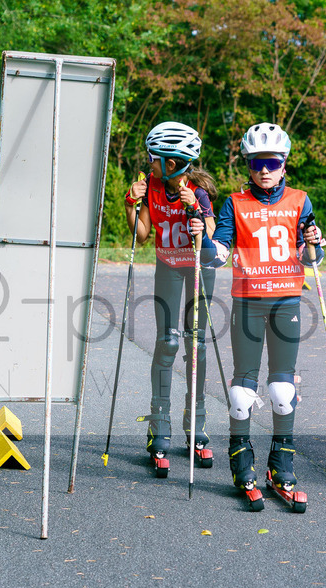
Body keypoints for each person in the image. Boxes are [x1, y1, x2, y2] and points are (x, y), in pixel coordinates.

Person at [197, 122, 323, 503]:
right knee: (241, 392)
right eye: (256, 163)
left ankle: (281, 464)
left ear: (284, 164)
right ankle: (241, 460)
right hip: (248, 301)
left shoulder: (301, 200)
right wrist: (204, 243)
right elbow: (219, 250)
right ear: (247, 166)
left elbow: (310, 255)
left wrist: (314, 242)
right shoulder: (234, 204)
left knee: (283, 391)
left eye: (271, 162)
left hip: (287, 301)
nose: (264, 170)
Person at [124, 122, 218, 475]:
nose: (149, 162)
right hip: (167, 266)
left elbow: (208, 237)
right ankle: (158, 425)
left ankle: (196, 425)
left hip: (197, 268)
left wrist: (196, 210)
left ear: (174, 162)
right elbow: (143, 234)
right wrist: (130, 204)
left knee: (197, 344)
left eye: (155, 158)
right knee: (167, 342)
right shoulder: (150, 187)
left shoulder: (199, 192)